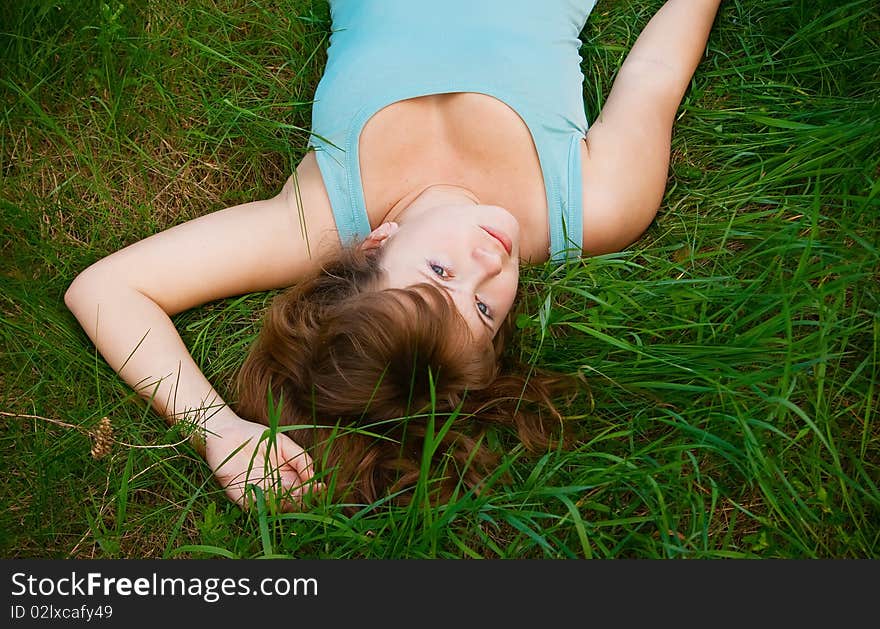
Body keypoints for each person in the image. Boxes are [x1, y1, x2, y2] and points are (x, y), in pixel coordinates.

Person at [65, 0, 724, 512]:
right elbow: (656, 72)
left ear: (373, 245)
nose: (487, 264)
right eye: (487, 309)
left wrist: (216, 430)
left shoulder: (327, 214)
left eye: (440, 274)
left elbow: (108, 288)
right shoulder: (594, 206)